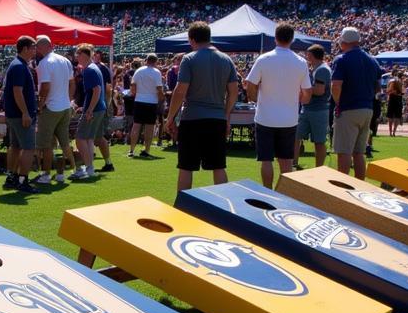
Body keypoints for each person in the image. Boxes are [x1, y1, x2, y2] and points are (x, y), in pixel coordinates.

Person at [164, 21, 239, 193]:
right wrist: (226, 114)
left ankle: (182, 207)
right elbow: (233, 92)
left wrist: (170, 117)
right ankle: (225, 206)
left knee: (186, 167)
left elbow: (180, 90)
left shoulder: (189, 58)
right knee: (218, 166)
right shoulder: (226, 59)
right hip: (217, 118)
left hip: (192, 119)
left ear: (191, 39)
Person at [244, 23, 312, 190]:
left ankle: (267, 191)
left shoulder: (264, 58)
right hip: (289, 119)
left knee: (266, 160)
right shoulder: (301, 62)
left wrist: (255, 99)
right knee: (286, 160)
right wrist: (301, 100)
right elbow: (308, 92)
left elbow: (249, 84)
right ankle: (284, 194)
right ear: (292, 39)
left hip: (265, 117)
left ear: (275, 38)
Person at [330, 27, 382, 180]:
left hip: (348, 108)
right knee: (359, 152)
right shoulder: (372, 60)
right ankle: (360, 186)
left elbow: (336, 85)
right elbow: (378, 86)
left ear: (343, 41)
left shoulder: (341, 59)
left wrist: (338, 103)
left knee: (344, 151)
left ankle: (342, 187)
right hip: (367, 108)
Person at [34, 35, 76, 184]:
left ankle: (45, 175)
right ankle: (72, 170)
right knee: (64, 142)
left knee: (45, 144)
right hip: (65, 107)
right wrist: (68, 99)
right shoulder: (65, 60)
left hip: (51, 107)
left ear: (44, 46)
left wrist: (40, 105)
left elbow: (45, 87)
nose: (36, 50)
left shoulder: (44, 63)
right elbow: (72, 83)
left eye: (37, 47)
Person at [2, 35, 38, 193]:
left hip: (15, 114)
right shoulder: (19, 66)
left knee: (15, 147)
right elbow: (18, 92)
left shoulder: (18, 65)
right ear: (25, 48)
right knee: (28, 148)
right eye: (33, 47)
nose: (35, 50)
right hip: (20, 114)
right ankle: (22, 180)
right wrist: (25, 113)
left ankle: (12, 177)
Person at [72, 44, 106, 180]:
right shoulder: (94, 68)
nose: (76, 58)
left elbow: (96, 90)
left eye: (77, 54)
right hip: (98, 108)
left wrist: (89, 109)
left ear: (83, 55)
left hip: (95, 109)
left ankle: (88, 168)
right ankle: (89, 168)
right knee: (89, 139)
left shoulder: (89, 70)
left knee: (80, 139)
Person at [297, 44, 331, 168]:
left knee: (319, 141)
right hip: (308, 108)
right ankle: (294, 164)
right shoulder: (316, 68)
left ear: (311, 55)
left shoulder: (322, 70)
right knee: (296, 136)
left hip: (318, 110)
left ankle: (319, 168)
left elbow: (319, 90)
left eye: (308, 55)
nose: (306, 57)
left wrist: (303, 90)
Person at [127, 54, 164, 158]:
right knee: (149, 127)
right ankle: (146, 150)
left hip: (139, 100)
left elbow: (133, 86)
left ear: (146, 60)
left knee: (136, 125)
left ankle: (131, 150)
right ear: (155, 61)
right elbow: (159, 89)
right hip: (151, 102)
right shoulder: (156, 72)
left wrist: (136, 94)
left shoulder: (139, 71)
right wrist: (162, 98)